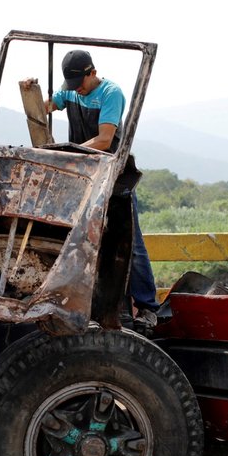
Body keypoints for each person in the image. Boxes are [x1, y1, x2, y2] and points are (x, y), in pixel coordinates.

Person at [38, 50, 160, 330]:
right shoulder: (71, 92)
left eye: (81, 83)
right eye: (72, 86)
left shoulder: (110, 94)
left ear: (92, 73)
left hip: (112, 176)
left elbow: (105, 141)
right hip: (83, 177)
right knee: (82, 241)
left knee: (130, 243)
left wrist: (68, 152)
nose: (77, 90)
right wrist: (31, 94)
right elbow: (46, 107)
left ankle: (148, 306)